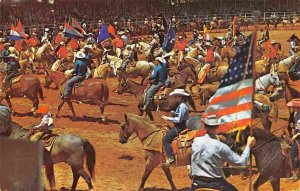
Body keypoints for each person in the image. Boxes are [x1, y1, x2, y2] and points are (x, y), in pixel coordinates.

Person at [190, 115, 256, 191]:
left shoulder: (195, 141)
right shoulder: (221, 147)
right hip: (216, 184)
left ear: (205, 127)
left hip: (196, 183)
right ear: (217, 127)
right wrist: (248, 145)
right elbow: (241, 163)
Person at [162, 89, 190, 164]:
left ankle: (171, 157)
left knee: (165, 139)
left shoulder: (182, 106)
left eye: (176, 96)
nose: (175, 97)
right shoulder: (181, 105)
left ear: (180, 97)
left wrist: (168, 118)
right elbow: (180, 115)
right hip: (180, 125)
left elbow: (179, 120)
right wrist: (174, 113)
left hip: (180, 127)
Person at [286, 99, 300, 181]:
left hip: (299, 136)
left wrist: (296, 136)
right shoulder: (295, 114)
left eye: (294, 107)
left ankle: (295, 174)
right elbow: (297, 126)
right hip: (296, 135)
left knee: (293, 152)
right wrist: (293, 125)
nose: (293, 108)